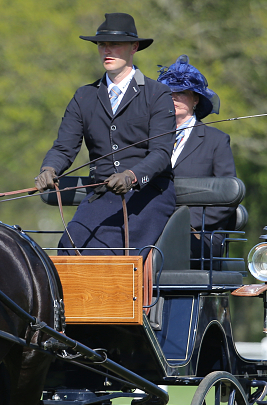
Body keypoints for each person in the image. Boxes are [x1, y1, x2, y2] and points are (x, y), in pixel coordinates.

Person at [35, 13, 175, 255]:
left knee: (109, 250)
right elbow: (64, 147)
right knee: (69, 248)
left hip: (148, 194)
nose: (107, 50)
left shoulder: (157, 94)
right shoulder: (84, 96)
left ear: (134, 47)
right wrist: (49, 169)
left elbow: (161, 154)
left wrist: (131, 176)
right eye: (102, 44)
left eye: (115, 44)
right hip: (101, 194)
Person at [157, 55, 236, 265]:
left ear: (195, 99)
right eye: (168, 93)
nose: (173, 98)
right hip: (153, 229)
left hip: (201, 235)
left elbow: (227, 197)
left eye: (181, 93)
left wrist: (184, 224)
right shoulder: (148, 137)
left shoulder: (216, 140)